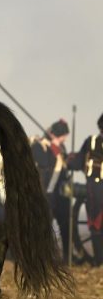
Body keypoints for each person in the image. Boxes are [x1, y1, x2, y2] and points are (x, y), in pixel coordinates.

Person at [31, 119, 81, 261]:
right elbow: (44, 164)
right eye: (62, 136)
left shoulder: (60, 148)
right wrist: (54, 149)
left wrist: (65, 156)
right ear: (55, 135)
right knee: (44, 226)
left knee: (65, 225)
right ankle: (42, 257)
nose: (64, 139)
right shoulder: (39, 146)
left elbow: (64, 166)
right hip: (46, 193)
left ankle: (67, 256)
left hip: (61, 195)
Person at [71, 112, 103, 266]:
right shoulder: (91, 142)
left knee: (96, 226)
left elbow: (77, 163)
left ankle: (98, 261)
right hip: (95, 188)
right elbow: (78, 163)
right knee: (97, 226)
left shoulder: (90, 142)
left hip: (94, 189)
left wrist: (70, 161)